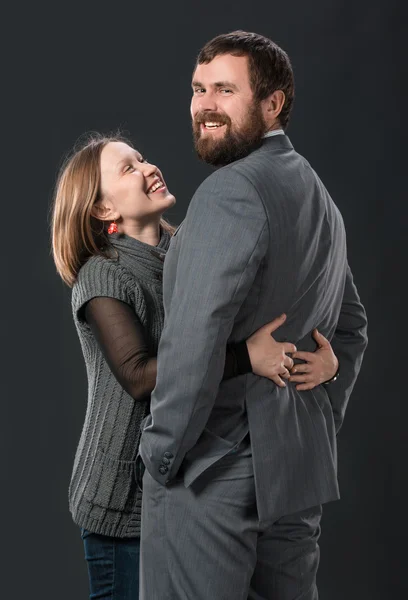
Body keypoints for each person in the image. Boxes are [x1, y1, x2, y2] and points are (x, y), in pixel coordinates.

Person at [50, 133, 339, 600]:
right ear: (103, 210)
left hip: (186, 479)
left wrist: (327, 360)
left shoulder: (184, 246)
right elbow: (140, 377)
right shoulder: (103, 273)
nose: (148, 167)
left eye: (142, 157)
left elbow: (268, 312)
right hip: (121, 497)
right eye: (128, 168)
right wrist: (247, 357)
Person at [139, 30, 368, 600]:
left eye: (224, 89)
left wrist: (161, 457)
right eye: (198, 89)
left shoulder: (229, 192)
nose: (205, 105)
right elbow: (353, 330)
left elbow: (191, 345)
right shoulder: (319, 198)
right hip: (295, 474)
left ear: (273, 104)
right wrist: (321, 397)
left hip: (213, 472)